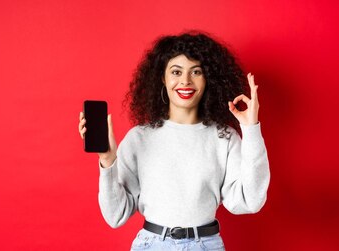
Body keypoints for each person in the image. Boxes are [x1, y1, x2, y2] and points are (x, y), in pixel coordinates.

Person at [77, 31, 270, 251]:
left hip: (206, 245)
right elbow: (115, 216)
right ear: (163, 77)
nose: (185, 81)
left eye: (196, 72)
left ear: (208, 79)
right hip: (151, 245)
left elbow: (250, 200)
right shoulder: (139, 138)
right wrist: (108, 161)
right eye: (176, 72)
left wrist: (251, 129)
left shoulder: (223, 137)